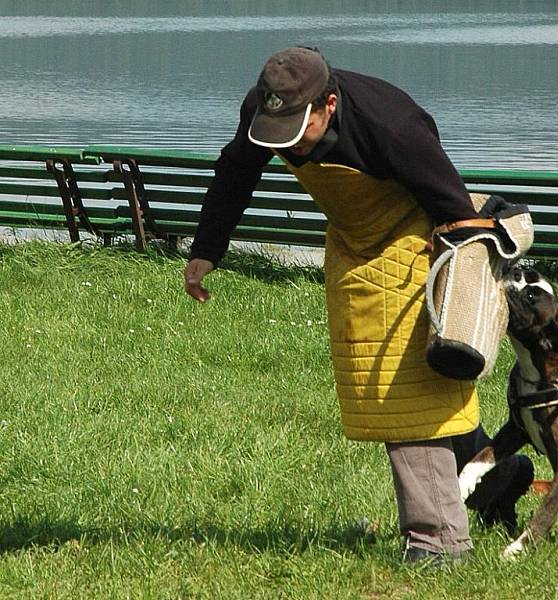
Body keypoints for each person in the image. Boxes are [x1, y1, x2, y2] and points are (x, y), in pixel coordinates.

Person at [183, 46, 533, 565]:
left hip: (422, 242)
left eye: (298, 129)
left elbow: (457, 213)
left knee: (406, 393)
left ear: (328, 103)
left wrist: (455, 304)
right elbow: (237, 171)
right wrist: (207, 250)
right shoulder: (266, 110)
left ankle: (439, 542)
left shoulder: (393, 127)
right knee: (409, 389)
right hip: (355, 244)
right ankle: (493, 480)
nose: (290, 145)